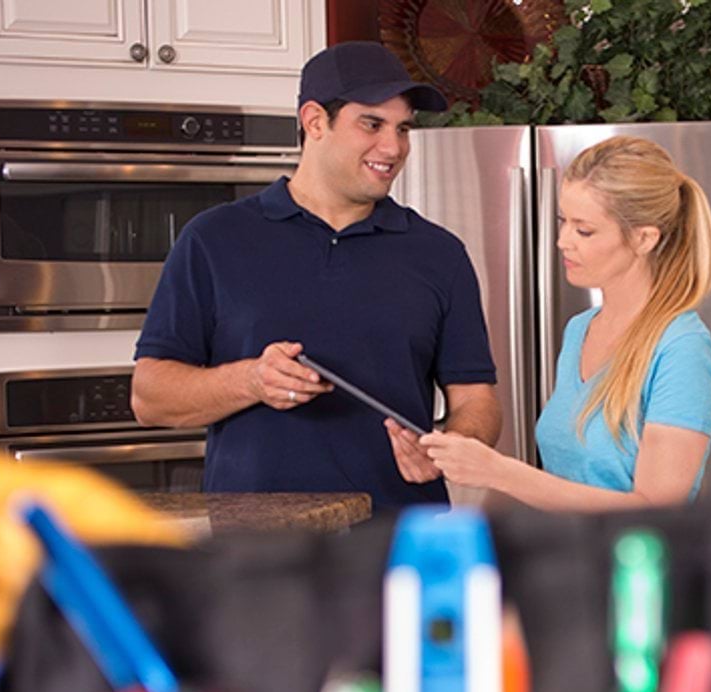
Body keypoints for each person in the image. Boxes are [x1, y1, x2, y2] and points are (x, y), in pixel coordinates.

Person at [130, 42, 501, 508]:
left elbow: (477, 403)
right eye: (372, 124)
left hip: (398, 540)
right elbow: (149, 398)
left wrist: (451, 447)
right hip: (259, 549)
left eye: (403, 128)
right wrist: (252, 380)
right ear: (314, 121)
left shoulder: (439, 253)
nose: (394, 147)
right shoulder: (213, 239)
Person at [420, 136, 711, 509]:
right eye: (563, 221)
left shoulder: (682, 349)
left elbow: (656, 515)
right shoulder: (581, 329)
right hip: (568, 561)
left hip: (638, 568)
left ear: (644, 238)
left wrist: (500, 472)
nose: (563, 241)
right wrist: (438, 450)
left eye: (584, 230)